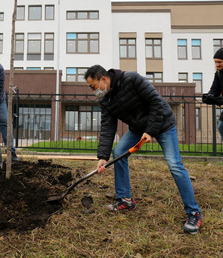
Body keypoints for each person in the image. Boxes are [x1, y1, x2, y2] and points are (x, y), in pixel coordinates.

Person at [84, 64, 202, 234]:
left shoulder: (131, 79)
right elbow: (107, 127)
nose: (93, 91)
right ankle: (125, 199)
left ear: (103, 79)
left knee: (175, 165)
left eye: (93, 87)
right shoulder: (105, 100)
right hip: (138, 128)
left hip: (163, 123)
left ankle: (193, 212)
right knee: (118, 152)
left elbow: (157, 102)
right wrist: (103, 156)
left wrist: (151, 131)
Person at [202, 48, 223, 138]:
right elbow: (215, 89)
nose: (217, 65)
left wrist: (219, 101)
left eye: (219, 62)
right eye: (215, 62)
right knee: (221, 126)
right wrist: (210, 96)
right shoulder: (218, 74)